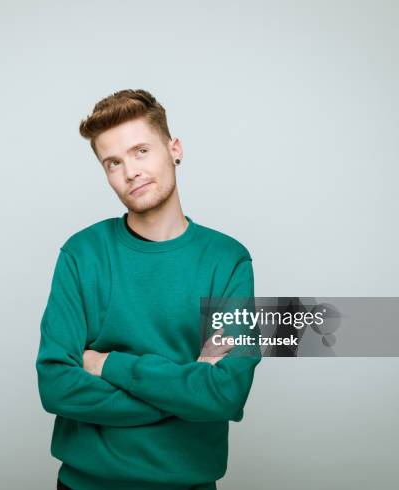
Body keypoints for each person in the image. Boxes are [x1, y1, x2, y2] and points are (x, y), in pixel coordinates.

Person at [36, 89, 261, 490]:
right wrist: (187, 392)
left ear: (174, 149)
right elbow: (56, 387)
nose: (130, 171)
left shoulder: (228, 261)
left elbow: (225, 394)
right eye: (113, 162)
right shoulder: (82, 254)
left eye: (141, 151)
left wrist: (107, 365)